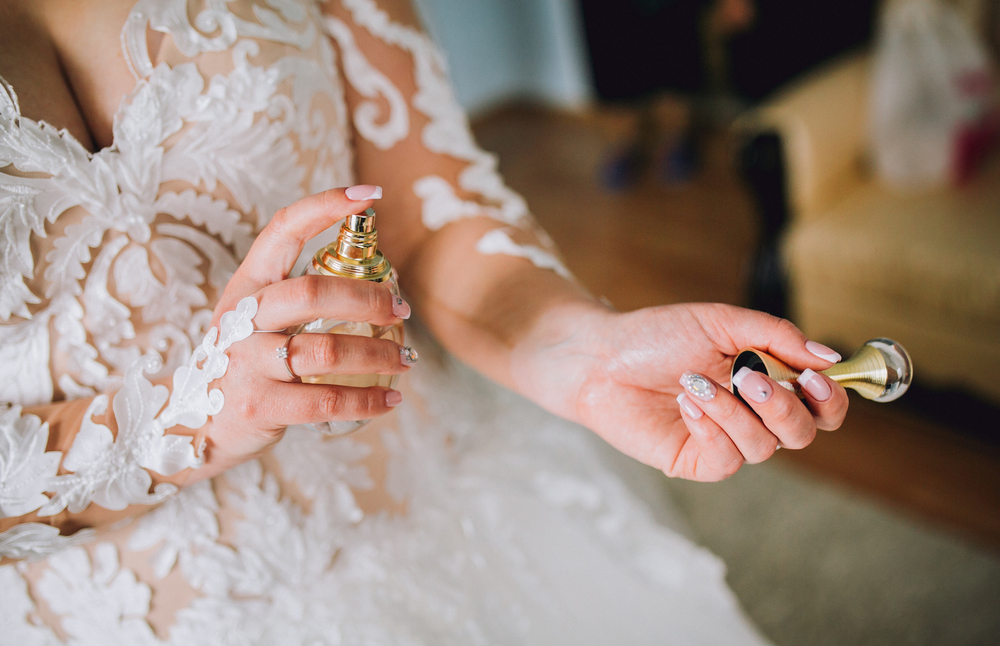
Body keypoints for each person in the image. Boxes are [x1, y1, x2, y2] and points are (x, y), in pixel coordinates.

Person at [0, 0, 848, 642]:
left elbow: (423, 213)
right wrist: (182, 422)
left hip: (433, 494)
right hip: (123, 607)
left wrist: (586, 353)